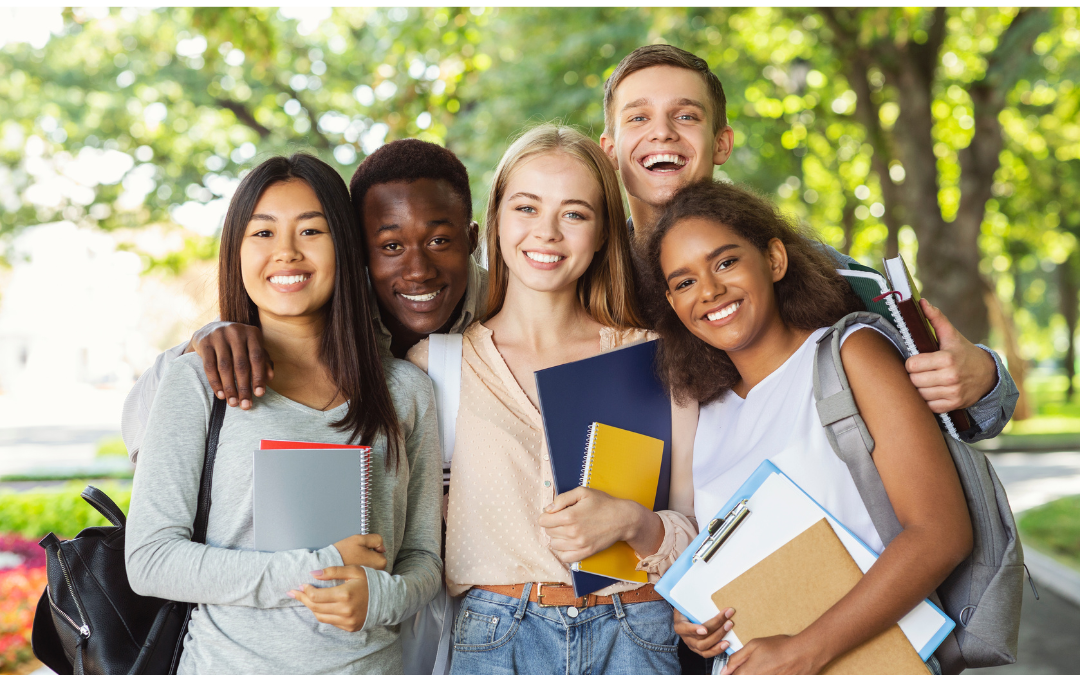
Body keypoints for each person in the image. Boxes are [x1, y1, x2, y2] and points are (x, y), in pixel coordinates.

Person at [598, 44, 1018, 443]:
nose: (663, 133)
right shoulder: (585, 279)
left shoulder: (820, 272)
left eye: (686, 116)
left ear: (721, 143)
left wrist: (982, 379)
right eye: (638, 118)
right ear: (610, 151)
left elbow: (955, 413)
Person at [124, 153, 443, 673]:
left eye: (311, 231)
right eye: (263, 233)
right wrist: (323, 567)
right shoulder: (197, 381)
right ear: (237, 250)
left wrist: (382, 597)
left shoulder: (406, 391)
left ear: (344, 245)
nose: (287, 253)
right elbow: (151, 560)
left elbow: (425, 558)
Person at [406, 124, 700, 674]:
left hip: (635, 632)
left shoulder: (657, 359)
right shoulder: (435, 366)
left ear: (602, 232)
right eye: (526, 207)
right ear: (494, 221)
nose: (547, 233)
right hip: (495, 639)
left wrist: (636, 524)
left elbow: (703, 527)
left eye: (574, 213)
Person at [646, 180, 972, 675]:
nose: (709, 290)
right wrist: (695, 622)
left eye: (726, 262)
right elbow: (725, 553)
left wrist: (805, 649)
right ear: (672, 303)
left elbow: (940, 533)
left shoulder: (850, 354)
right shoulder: (704, 412)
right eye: (684, 281)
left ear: (774, 260)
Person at [120, 139, 486, 461]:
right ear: (357, 249)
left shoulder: (508, 308)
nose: (418, 270)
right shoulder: (318, 312)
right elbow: (142, 433)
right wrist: (200, 345)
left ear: (471, 239)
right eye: (390, 246)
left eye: (439, 241)